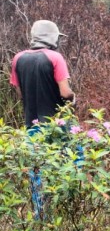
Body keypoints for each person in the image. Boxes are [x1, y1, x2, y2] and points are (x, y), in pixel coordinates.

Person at [10, 19, 76, 219]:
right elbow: (65, 93)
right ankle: (69, 211)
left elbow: (20, 94)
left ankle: (41, 217)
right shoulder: (55, 57)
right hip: (57, 124)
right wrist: (74, 98)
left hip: (32, 124)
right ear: (52, 37)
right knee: (73, 161)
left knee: (37, 170)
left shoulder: (18, 59)